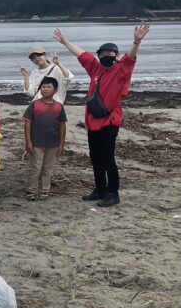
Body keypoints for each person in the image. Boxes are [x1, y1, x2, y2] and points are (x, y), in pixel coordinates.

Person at [53, 23, 151, 207]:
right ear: (99, 56)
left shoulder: (121, 70)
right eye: (103, 54)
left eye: (110, 55)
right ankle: (100, 189)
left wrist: (137, 41)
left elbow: (130, 57)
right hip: (93, 120)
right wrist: (65, 41)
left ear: (116, 56)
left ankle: (113, 193)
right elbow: (81, 54)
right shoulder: (95, 69)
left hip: (110, 121)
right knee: (95, 156)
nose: (106, 57)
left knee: (108, 158)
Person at [23, 77, 67, 201]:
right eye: (43, 87)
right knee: (35, 167)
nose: (45, 89)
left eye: (49, 87)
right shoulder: (35, 104)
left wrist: (61, 144)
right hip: (36, 142)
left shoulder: (59, 107)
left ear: (55, 90)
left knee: (48, 168)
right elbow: (27, 123)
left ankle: (45, 190)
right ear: (40, 89)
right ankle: (31, 190)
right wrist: (28, 142)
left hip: (53, 143)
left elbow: (62, 125)